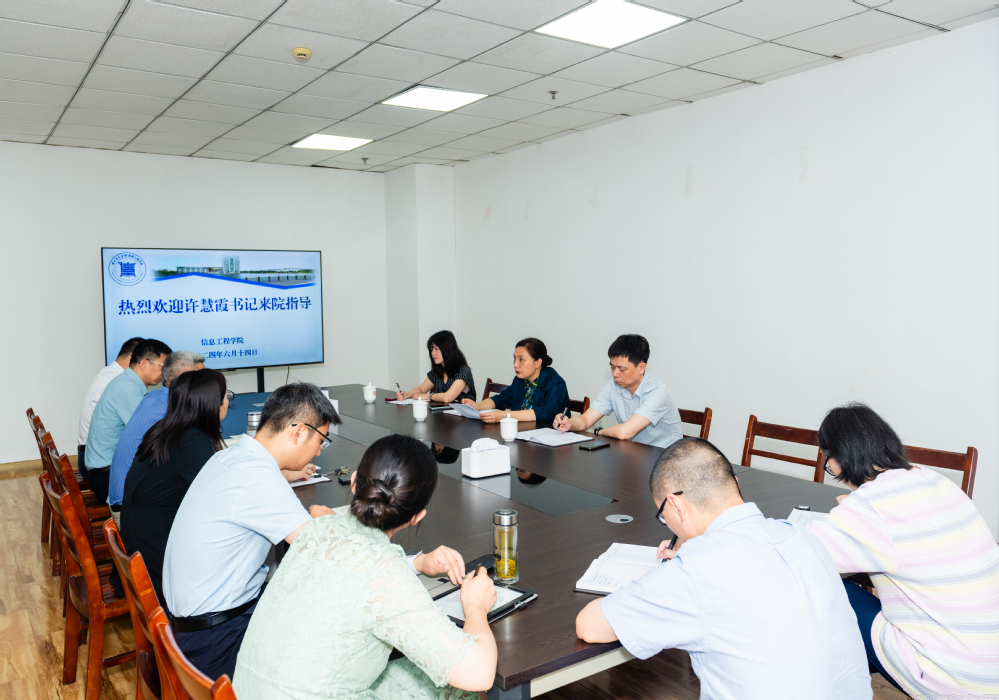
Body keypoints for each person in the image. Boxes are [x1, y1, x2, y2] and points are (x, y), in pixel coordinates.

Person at [575, 438, 872, 700]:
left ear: (676, 505)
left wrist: (680, 567)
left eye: (664, 515)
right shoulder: (804, 537)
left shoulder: (696, 571)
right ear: (736, 484)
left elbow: (589, 625)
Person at [233, 434, 498, 700]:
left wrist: (417, 563)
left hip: (246, 691)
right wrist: (475, 607)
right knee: (461, 689)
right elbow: (479, 674)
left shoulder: (317, 528)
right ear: (418, 516)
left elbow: (358, 575)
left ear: (353, 482)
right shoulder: (384, 570)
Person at [808, 403, 999, 699]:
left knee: (825, 588)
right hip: (988, 664)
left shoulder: (871, 506)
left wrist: (861, 511)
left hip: (955, 680)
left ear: (840, 457)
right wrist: (860, 511)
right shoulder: (934, 479)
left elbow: (801, 555)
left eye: (827, 459)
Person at [161, 382, 340, 681]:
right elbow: (323, 551)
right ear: (298, 432)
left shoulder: (228, 457)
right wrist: (326, 522)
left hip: (190, 626)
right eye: (321, 440)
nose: (319, 451)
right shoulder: (258, 478)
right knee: (330, 635)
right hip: (216, 642)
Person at [112, 368, 228, 604]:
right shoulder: (191, 441)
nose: (227, 402)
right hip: (159, 561)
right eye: (227, 396)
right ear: (211, 403)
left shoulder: (167, 429)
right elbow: (223, 495)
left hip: (142, 542)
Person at [107, 350, 206, 520]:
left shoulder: (154, 397)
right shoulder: (169, 412)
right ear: (184, 382)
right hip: (134, 512)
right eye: (202, 379)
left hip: (130, 501)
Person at [555, 334, 682, 449]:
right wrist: (570, 423)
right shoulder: (613, 385)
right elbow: (586, 420)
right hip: (633, 453)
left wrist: (599, 431)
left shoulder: (657, 392)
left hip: (666, 458)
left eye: (621, 369)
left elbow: (623, 432)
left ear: (641, 368)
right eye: (612, 367)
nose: (615, 374)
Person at [85, 338, 172, 503]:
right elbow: (152, 434)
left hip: (106, 470)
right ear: (144, 363)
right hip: (107, 478)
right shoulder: (128, 390)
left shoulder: (126, 383)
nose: (165, 373)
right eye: (163, 366)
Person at [461, 337, 568, 425]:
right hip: (521, 433)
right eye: (515, 358)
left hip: (546, 439)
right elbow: (501, 399)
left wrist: (505, 415)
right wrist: (478, 406)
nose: (516, 364)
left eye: (521, 359)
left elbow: (544, 413)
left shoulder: (556, 383)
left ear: (537, 362)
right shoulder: (520, 380)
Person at [77, 336, 143, 477]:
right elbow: (141, 426)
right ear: (134, 358)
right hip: (97, 462)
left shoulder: (108, 373)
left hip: (91, 454)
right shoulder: (118, 382)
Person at [396, 330, 477, 403]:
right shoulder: (438, 370)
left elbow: (447, 397)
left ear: (448, 349)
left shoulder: (463, 371)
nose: (433, 353)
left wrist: (428, 396)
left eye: (436, 349)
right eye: (431, 349)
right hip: (444, 413)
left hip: (464, 414)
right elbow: (421, 389)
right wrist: (406, 394)